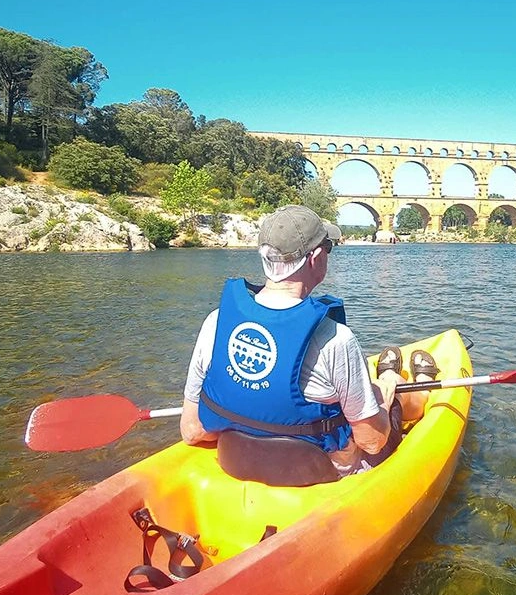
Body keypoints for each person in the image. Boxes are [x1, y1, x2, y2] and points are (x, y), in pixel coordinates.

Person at [180, 204, 437, 478]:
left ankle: (389, 378)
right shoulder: (335, 340)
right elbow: (371, 441)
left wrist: (252, 425)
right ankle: (409, 387)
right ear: (315, 258)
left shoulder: (216, 322)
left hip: (239, 464)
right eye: (329, 247)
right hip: (325, 473)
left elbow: (192, 430)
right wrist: (383, 402)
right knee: (388, 394)